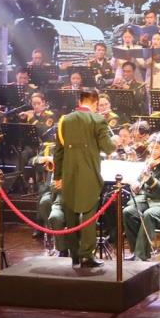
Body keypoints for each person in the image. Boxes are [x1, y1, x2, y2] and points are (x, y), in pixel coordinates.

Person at [53, 88, 116, 267]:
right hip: (90, 175)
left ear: (79, 101)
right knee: (89, 216)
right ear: (95, 103)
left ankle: (74, 255)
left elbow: (58, 152)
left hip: (68, 175)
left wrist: (58, 177)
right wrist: (115, 142)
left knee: (71, 215)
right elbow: (108, 147)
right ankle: (86, 255)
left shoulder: (64, 120)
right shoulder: (98, 120)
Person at [120, 133, 160, 263]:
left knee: (149, 215)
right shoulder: (149, 163)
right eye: (151, 147)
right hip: (150, 200)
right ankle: (136, 251)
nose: (153, 151)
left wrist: (149, 178)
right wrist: (136, 184)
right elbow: (140, 180)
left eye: (156, 148)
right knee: (128, 212)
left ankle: (141, 255)